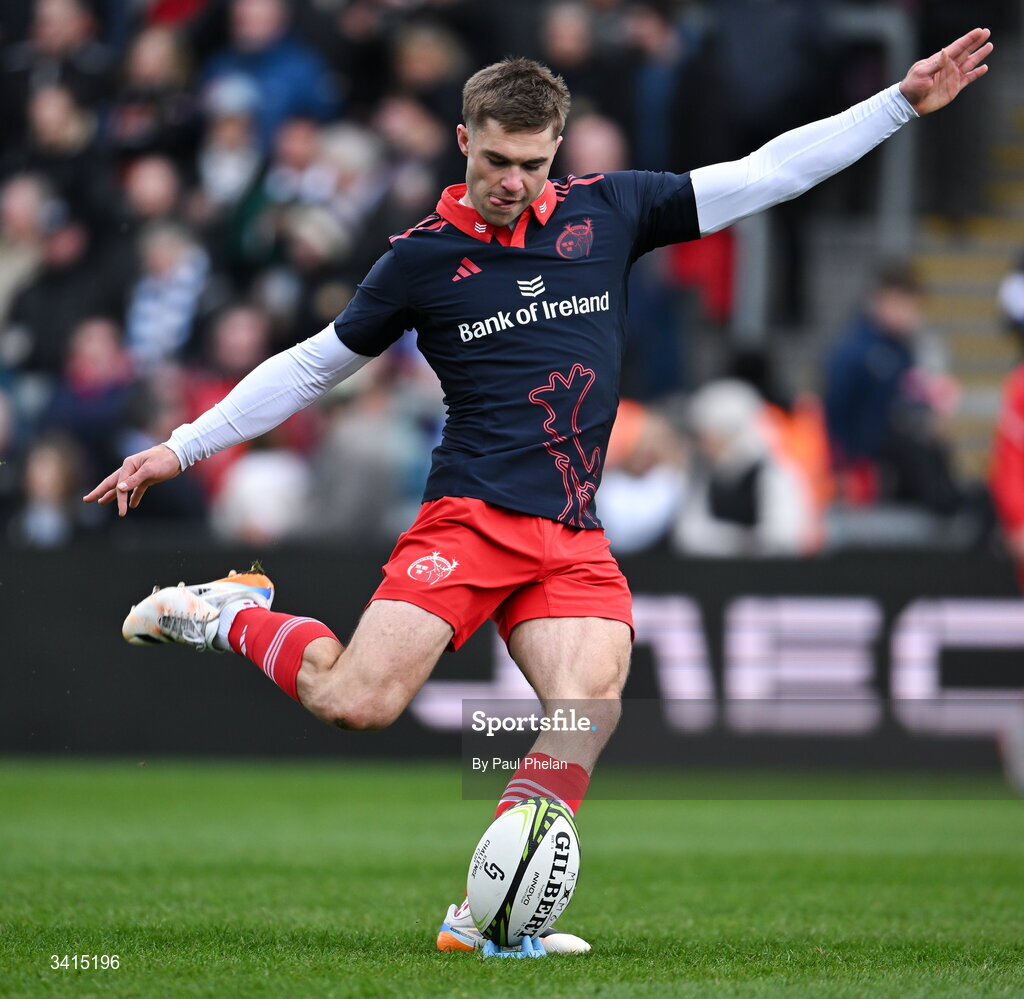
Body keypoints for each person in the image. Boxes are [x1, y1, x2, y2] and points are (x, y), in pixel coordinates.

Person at [85, 32, 993, 954]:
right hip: (472, 517)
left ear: (556, 147)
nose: (511, 179)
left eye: (530, 161)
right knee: (357, 701)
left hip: (572, 528)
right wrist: (185, 444)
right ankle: (228, 612)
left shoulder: (615, 211)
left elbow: (769, 173)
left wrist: (897, 105)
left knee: (589, 701)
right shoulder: (421, 260)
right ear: (462, 141)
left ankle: (490, 918)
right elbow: (314, 365)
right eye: (495, 159)